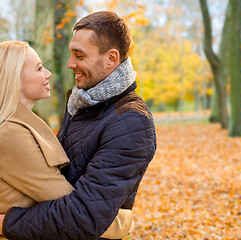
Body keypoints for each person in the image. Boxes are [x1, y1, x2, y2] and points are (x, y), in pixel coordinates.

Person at [1, 11, 156, 240]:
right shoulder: (81, 104)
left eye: (79, 55)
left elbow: (84, 216)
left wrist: (5, 222)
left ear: (111, 58)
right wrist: (124, 223)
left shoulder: (130, 122)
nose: (69, 64)